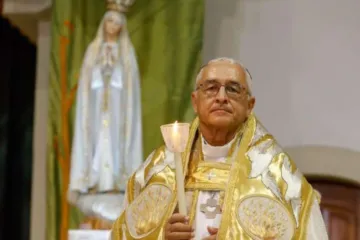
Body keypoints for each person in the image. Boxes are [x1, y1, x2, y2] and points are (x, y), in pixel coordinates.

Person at [111, 58, 329, 239]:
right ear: (195, 102)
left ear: (249, 106)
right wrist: (162, 235)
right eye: (211, 88)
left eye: (233, 89)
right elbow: (124, 234)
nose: (222, 97)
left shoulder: (277, 173)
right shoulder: (160, 167)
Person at [67, 0, 142, 228]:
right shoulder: (94, 50)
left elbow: (131, 89)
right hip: (97, 110)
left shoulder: (127, 52)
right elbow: (86, 84)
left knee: (116, 146)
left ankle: (117, 184)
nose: (113, 26)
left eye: (117, 23)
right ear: (104, 24)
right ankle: (94, 182)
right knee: (97, 144)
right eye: (109, 22)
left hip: (119, 111)